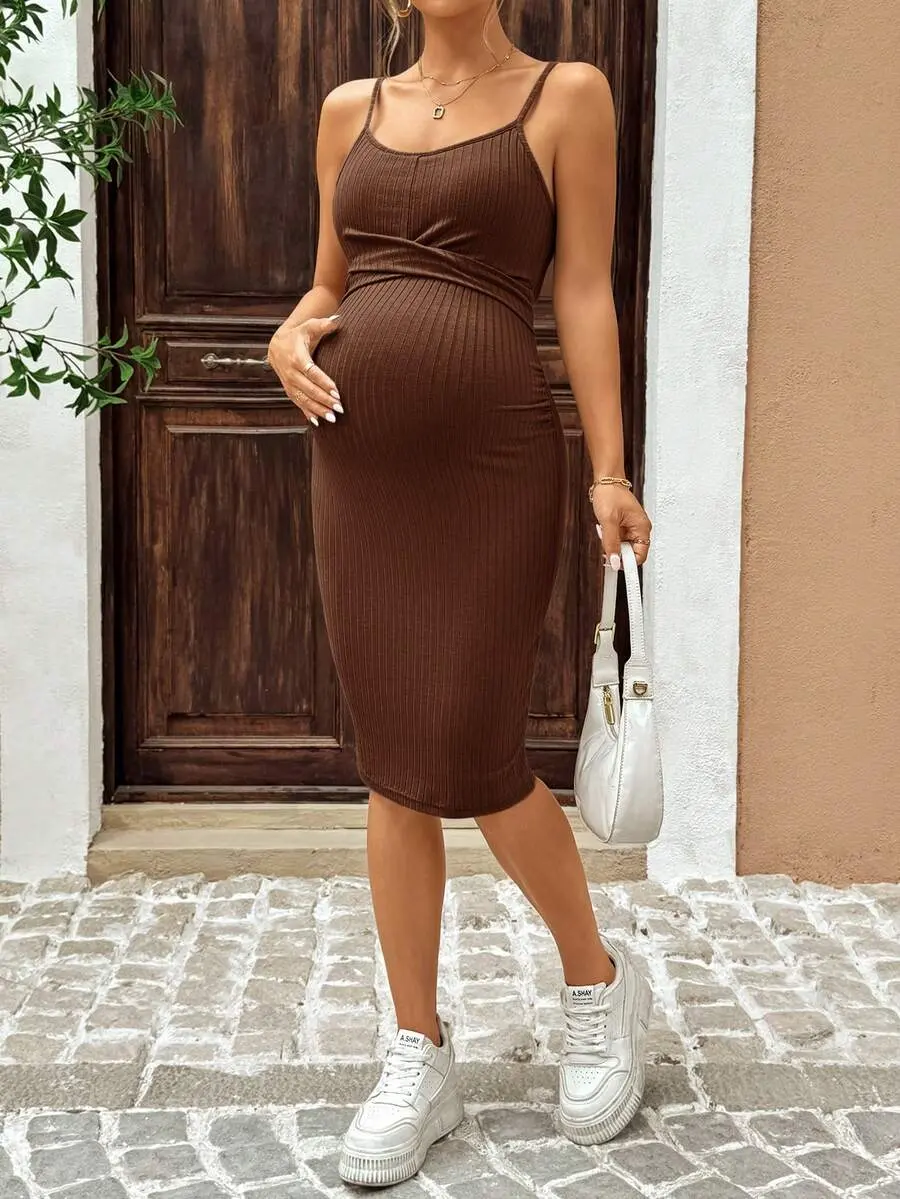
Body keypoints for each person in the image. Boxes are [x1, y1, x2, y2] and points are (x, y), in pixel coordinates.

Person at [267, 0, 654, 1187]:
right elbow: (329, 287)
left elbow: (582, 291)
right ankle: (417, 1046)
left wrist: (610, 471)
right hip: (362, 475)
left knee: (477, 746)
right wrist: (288, 337)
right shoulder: (348, 112)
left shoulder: (566, 95)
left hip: (492, 462)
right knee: (394, 757)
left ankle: (597, 982)